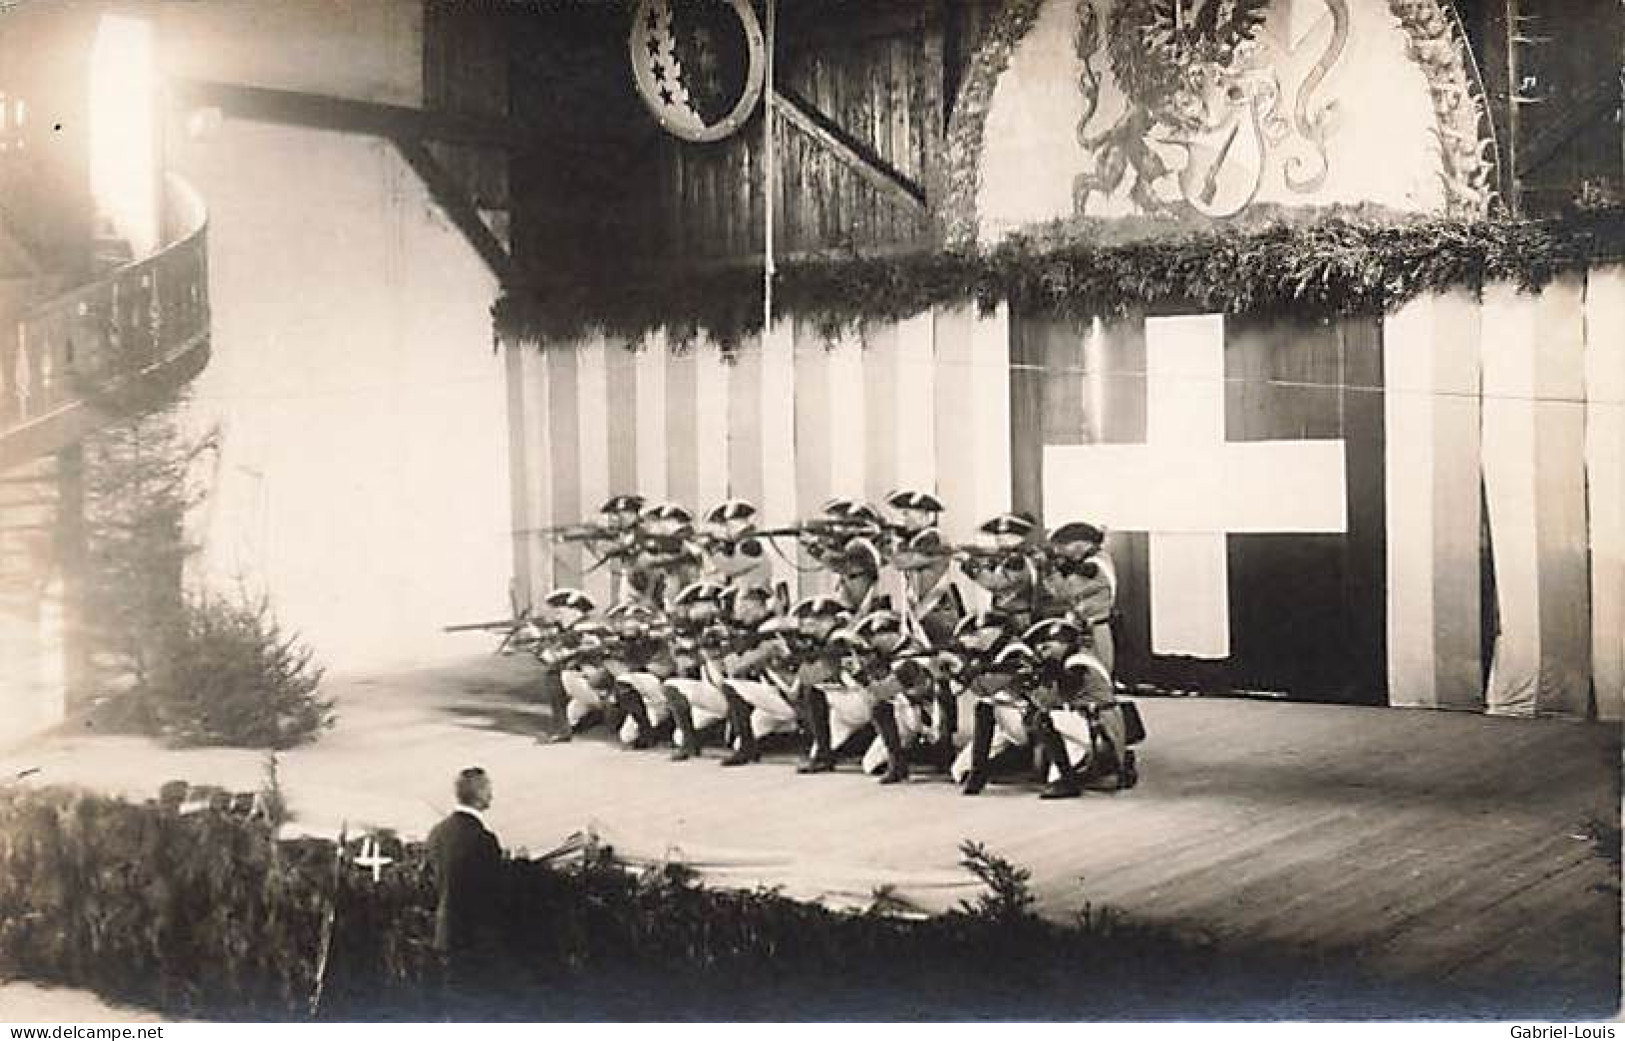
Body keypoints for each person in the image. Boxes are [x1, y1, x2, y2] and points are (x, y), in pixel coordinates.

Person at [427, 767, 504, 1013]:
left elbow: (434, 881)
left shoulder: (438, 833)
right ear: (479, 793)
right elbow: (495, 892)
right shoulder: (483, 840)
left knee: (454, 1005)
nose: (492, 794)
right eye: (488, 788)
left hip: (446, 933)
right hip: (477, 939)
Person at [1043, 521, 1118, 673]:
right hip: (1089, 626)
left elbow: (1062, 593)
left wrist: (1050, 571)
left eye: (1063, 546)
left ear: (1079, 544)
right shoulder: (1099, 558)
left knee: (1095, 674)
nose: (1059, 551)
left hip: (1093, 630)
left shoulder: (1092, 568)